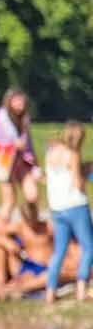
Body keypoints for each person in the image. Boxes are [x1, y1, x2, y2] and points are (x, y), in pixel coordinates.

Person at [45, 121, 93, 303]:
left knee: (59, 251)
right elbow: (77, 184)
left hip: (57, 207)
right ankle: (82, 289)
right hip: (75, 205)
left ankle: (50, 292)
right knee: (89, 247)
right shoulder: (72, 153)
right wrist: (86, 173)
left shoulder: (52, 151)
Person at [0, 88, 39, 222]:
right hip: (4, 161)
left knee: (32, 195)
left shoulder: (24, 118)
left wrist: (35, 164)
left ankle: (30, 227)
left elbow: (28, 143)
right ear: (9, 101)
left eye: (22, 99)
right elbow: (13, 139)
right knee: (9, 200)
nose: (20, 103)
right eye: (17, 99)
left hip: (22, 161)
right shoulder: (2, 116)